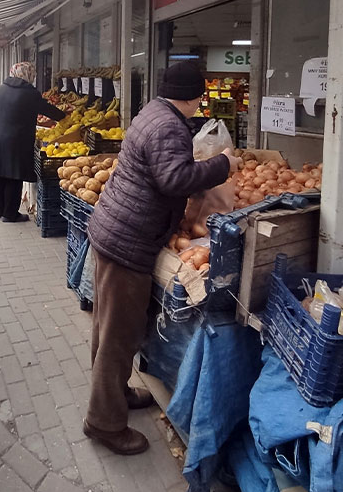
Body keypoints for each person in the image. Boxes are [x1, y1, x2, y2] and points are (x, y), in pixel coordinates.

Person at [83, 61, 242, 455]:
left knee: (107, 325)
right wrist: (223, 165)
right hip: (128, 239)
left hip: (113, 229)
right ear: (194, 96)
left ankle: (113, 393)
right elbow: (174, 178)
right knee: (120, 335)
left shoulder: (152, 112)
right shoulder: (170, 125)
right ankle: (104, 422)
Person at [0, 62, 66, 222]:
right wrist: (64, 116)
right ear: (29, 75)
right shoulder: (30, 93)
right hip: (17, 138)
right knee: (14, 174)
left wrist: (1, 119)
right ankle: (10, 214)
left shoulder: (0, 88)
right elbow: (47, 109)